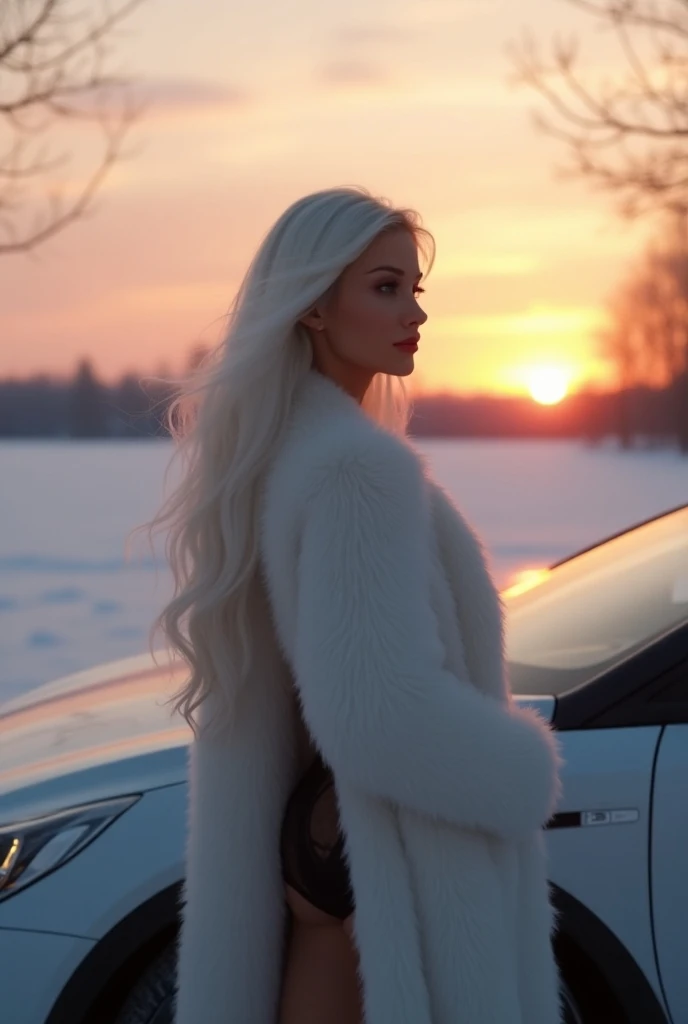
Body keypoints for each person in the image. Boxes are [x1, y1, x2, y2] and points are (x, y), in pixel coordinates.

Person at [149, 185, 564, 1024]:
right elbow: (379, 715)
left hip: (324, 860)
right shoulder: (354, 470)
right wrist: (522, 772)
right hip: (374, 872)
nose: (414, 310)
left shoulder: (285, 450)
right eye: (384, 286)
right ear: (311, 305)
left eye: (415, 288)